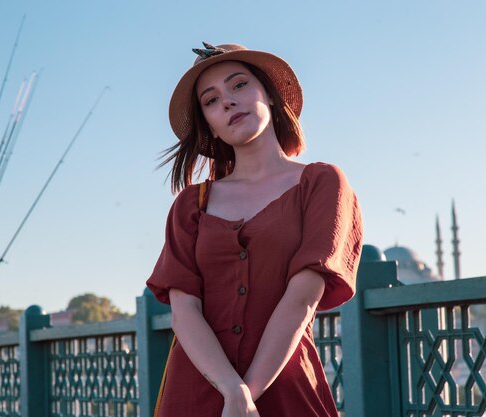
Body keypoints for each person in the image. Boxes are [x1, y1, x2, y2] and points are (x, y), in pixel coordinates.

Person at [146, 42, 363, 417]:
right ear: (208, 124)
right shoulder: (189, 205)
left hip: (286, 387)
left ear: (272, 96)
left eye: (239, 85)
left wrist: (247, 395)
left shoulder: (321, 182)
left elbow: (304, 296)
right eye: (211, 100)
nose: (227, 102)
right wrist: (232, 390)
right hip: (196, 392)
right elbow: (184, 310)